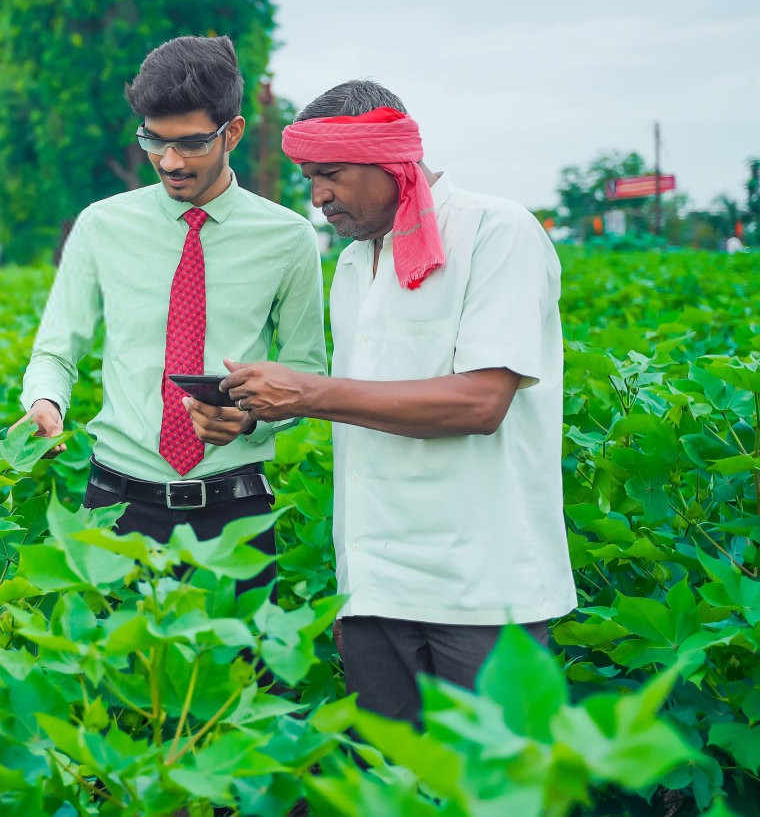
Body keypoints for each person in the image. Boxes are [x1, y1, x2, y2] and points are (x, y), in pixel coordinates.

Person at [189, 80, 577, 723]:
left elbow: (481, 404)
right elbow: (363, 405)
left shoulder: (495, 232)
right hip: (375, 590)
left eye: (330, 175)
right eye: (309, 179)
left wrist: (310, 393)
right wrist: (256, 408)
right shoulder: (353, 264)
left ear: (390, 159)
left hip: (481, 589)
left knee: (491, 790)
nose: (318, 199)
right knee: (389, 787)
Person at [15, 36, 326, 591]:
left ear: (232, 132)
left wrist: (253, 418)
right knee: (109, 676)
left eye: (191, 144)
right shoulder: (101, 225)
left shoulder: (290, 237)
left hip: (234, 510)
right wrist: (44, 401)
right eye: (153, 143)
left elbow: (307, 375)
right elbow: (57, 349)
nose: (170, 162)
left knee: (238, 676)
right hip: (116, 508)